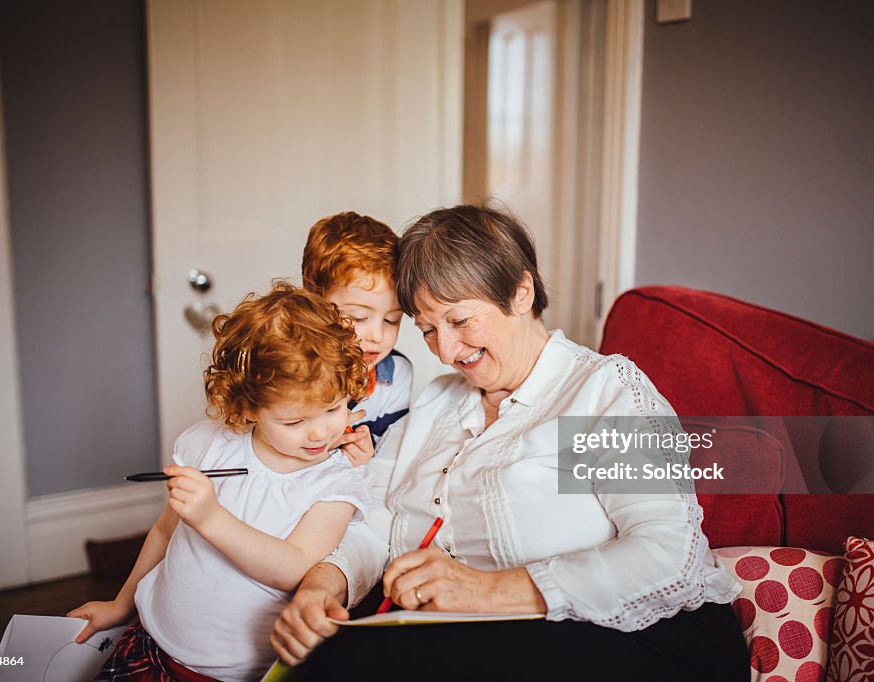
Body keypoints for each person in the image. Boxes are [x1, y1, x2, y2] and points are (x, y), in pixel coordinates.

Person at [269, 205, 749, 680]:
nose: (446, 351)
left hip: (641, 638)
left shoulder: (604, 392)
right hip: (481, 637)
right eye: (429, 330)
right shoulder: (436, 402)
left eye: (459, 322)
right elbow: (376, 521)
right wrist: (321, 587)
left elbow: (670, 553)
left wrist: (487, 591)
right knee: (332, 659)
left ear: (521, 292)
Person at [69, 282, 375, 682]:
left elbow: (294, 565)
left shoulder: (336, 481)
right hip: (148, 641)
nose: (320, 434)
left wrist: (211, 517)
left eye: (334, 408)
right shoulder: (208, 444)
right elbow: (164, 532)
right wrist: (121, 604)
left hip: (229, 675)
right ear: (249, 407)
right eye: (295, 421)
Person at [302, 212, 412, 447]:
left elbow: (387, 463)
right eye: (358, 317)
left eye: (391, 320)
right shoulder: (286, 367)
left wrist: (365, 461)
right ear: (315, 303)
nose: (377, 337)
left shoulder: (395, 375)